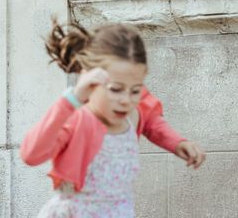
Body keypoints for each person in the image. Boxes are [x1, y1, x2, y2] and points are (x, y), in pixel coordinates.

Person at [20, 21, 205, 218]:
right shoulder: (78, 120)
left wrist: (177, 142)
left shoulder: (133, 114)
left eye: (135, 90)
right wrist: (70, 100)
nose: (126, 100)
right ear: (90, 79)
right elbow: (31, 154)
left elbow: (152, 120)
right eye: (115, 89)